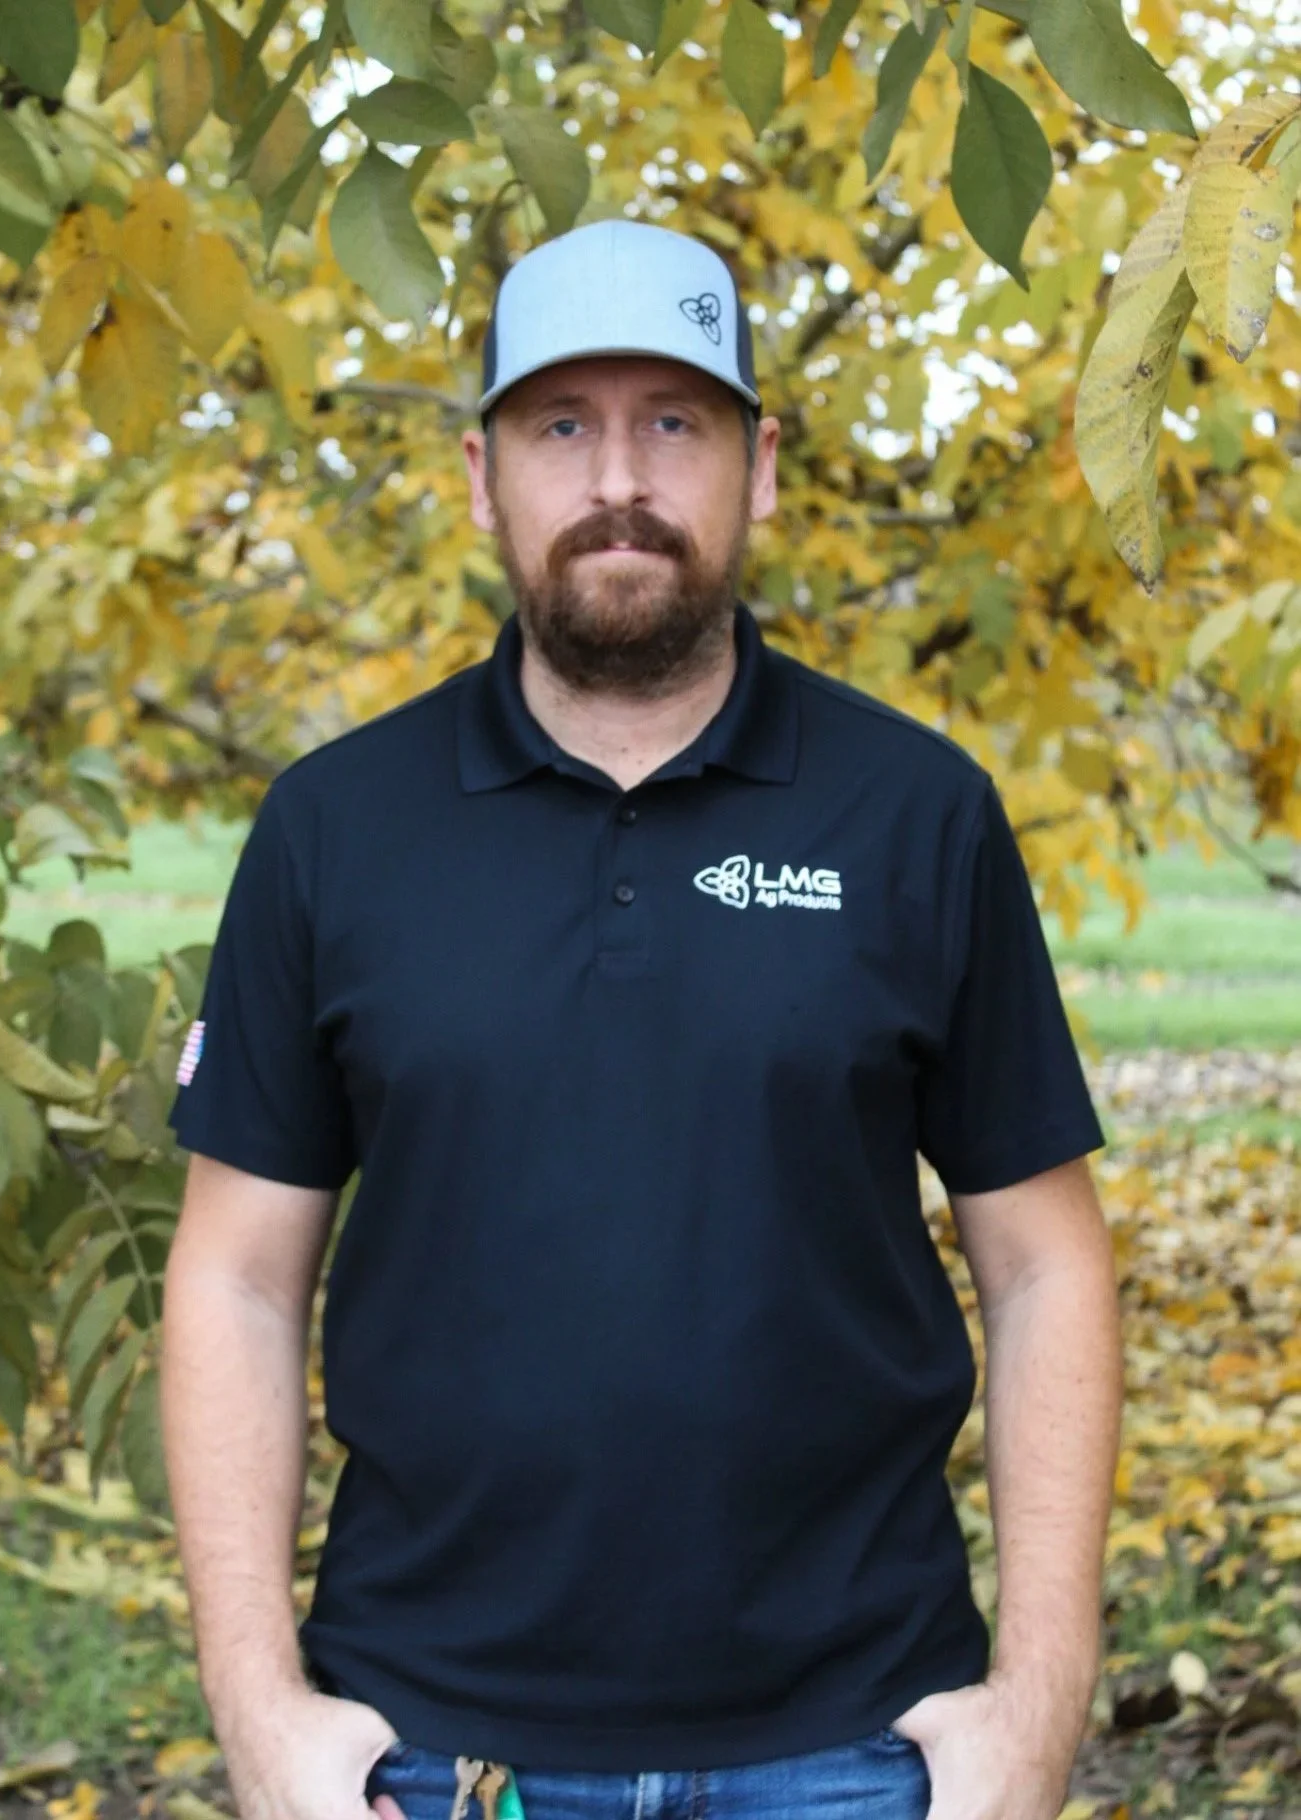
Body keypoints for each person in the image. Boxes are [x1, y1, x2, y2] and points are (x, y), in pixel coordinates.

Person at [161, 218, 1123, 1820]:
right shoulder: (335, 828)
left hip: (857, 1743)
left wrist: (1038, 1699)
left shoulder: (917, 814)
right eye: (562, 426)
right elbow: (237, 1279)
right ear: (482, 477)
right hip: (433, 1746)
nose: (620, 479)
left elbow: (1045, 1266)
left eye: (675, 421)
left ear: (762, 469)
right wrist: (259, 1711)